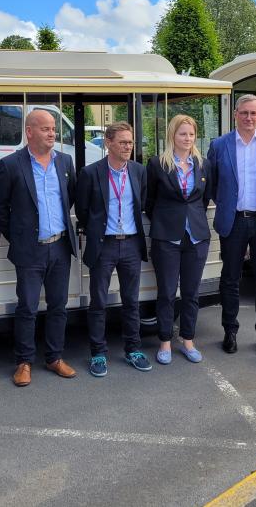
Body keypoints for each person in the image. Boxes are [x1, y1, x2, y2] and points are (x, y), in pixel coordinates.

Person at [0, 108, 78, 387]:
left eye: (53, 129)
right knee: (27, 307)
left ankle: (54, 357)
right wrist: (17, 236)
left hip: (60, 247)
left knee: (58, 306)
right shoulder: (11, 165)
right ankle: (24, 361)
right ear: (29, 132)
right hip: (30, 249)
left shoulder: (65, 162)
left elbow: (70, 197)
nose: (52, 133)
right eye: (46, 129)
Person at [208, 94, 256, 357]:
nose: (249, 118)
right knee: (230, 278)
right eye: (244, 113)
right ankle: (230, 331)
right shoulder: (219, 145)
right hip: (234, 220)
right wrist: (228, 204)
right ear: (235, 115)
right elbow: (213, 184)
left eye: (253, 113)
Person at [76, 121, 151, 377]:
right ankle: (98, 353)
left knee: (131, 301)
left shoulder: (139, 172)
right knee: (98, 302)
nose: (128, 146)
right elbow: (83, 211)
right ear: (108, 143)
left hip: (131, 243)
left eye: (130, 142)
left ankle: (134, 350)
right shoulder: (90, 173)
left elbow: (143, 203)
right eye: (122, 142)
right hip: (104, 244)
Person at [146, 114, 213, 365]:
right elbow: (149, 201)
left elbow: (202, 201)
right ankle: (164, 342)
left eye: (191, 134)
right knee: (166, 292)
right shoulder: (157, 164)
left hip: (196, 236)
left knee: (191, 293)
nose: (187, 138)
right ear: (172, 135)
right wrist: (167, 221)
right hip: (167, 237)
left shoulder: (203, 164)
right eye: (182, 133)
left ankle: (187, 340)